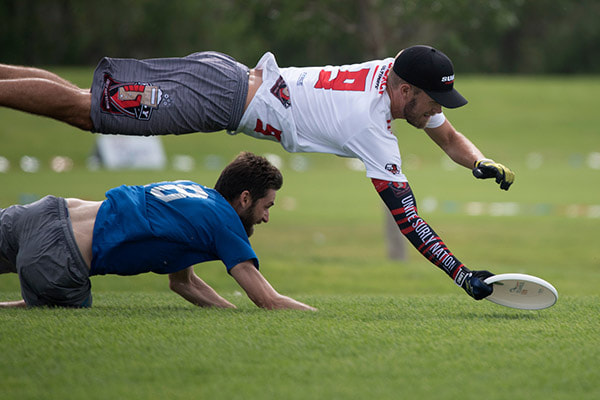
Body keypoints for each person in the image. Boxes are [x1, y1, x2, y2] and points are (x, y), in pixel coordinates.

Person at [0, 45, 515, 300]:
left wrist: (480, 161)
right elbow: (408, 219)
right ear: (406, 93)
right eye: (433, 100)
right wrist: (461, 274)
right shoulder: (369, 125)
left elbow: (446, 135)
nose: (438, 110)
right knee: (84, 112)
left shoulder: (394, 73)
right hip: (217, 98)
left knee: (85, 103)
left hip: (225, 78)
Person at [0, 152, 316, 310]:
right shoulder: (225, 223)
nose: (266, 217)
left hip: (44, 212)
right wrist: (317, 316)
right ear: (245, 198)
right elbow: (268, 301)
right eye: (267, 206)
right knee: (54, 314)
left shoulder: (196, 194)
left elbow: (183, 282)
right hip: (58, 259)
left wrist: (228, 312)